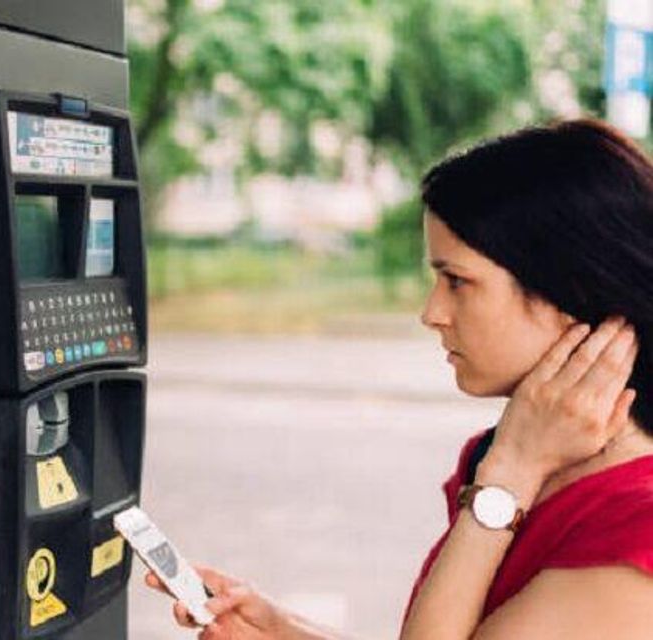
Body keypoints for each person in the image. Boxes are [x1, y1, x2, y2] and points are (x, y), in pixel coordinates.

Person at [145, 119, 653, 639]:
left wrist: (507, 480)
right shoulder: (511, 459)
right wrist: (285, 631)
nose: (432, 312)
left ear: (571, 295)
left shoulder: (634, 532)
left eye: (457, 281)